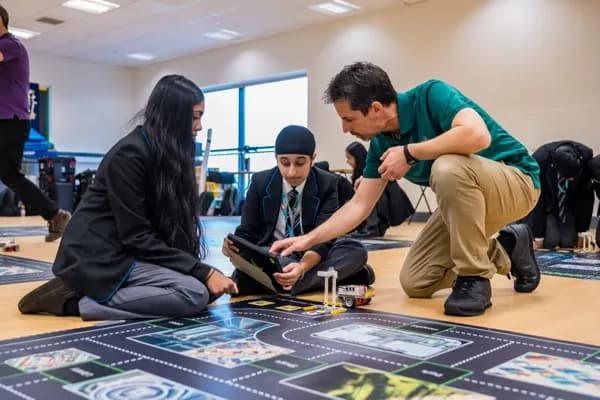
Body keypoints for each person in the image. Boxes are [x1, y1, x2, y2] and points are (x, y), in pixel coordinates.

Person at [271, 62, 541, 317]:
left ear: (375, 109)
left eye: (349, 119)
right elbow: (358, 206)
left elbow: (477, 135)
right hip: (466, 203)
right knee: (417, 280)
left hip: (518, 182)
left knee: (447, 167)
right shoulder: (379, 145)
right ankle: (506, 248)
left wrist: (411, 153)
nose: (344, 129)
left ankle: (474, 277)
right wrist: (307, 240)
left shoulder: (432, 94)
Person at [18, 75, 238, 320]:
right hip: (100, 257)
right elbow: (137, 236)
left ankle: (100, 294)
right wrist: (202, 274)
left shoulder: (167, 155)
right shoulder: (129, 155)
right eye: (195, 116)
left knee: (205, 287)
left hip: (130, 253)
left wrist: (200, 271)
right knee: (193, 294)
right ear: (173, 115)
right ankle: (74, 299)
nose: (198, 126)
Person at [223, 125, 374, 295]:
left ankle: (275, 283)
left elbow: (323, 240)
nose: (292, 172)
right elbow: (247, 232)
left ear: (313, 159)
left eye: (300, 163)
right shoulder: (260, 182)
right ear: (276, 158)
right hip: (274, 255)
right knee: (272, 261)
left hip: (313, 255)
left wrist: (302, 267)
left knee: (355, 250)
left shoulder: (328, 183)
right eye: (284, 163)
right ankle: (341, 277)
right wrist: (233, 248)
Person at [0, 5, 71, 241]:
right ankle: (54, 214)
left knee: (11, 175)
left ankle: (55, 213)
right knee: (10, 175)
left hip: (10, 121)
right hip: (6, 121)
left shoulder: (11, 44)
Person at [526, 141, 595, 249]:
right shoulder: (540, 161)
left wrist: (583, 230)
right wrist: (538, 235)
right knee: (550, 242)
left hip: (569, 206)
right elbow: (539, 199)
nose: (572, 179)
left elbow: (586, 198)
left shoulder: (585, 158)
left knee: (568, 242)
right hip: (550, 206)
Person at [345, 141, 414, 237]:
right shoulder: (358, 172)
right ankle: (366, 226)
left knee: (368, 192)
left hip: (388, 205)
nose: (347, 161)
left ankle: (372, 227)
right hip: (380, 208)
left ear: (357, 157)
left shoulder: (375, 167)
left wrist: (364, 182)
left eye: (349, 158)